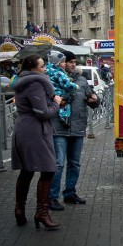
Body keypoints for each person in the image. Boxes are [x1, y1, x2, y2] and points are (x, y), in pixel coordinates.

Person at [11, 54, 63, 230]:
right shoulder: (35, 84)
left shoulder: (23, 82)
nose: (45, 69)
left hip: (24, 128)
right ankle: (41, 212)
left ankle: (19, 210)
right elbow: (43, 112)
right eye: (42, 66)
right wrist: (56, 103)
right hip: (35, 130)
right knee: (48, 170)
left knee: (27, 170)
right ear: (33, 68)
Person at [48, 50, 100, 211]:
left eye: (74, 62)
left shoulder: (82, 80)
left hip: (77, 127)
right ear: (61, 63)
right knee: (58, 164)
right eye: (69, 61)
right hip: (58, 127)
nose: (72, 64)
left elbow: (92, 100)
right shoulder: (52, 79)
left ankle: (70, 193)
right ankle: (52, 197)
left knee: (74, 163)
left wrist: (95, 100)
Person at [46, 51, 79, 127]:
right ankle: (64, 118)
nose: (64, 63)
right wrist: (75, 86)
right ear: (57, 63)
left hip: (50, 94)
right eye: (63, 62)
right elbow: (67, 85)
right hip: (60, 93)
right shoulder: (59, 73)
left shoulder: (46, 71)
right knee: (64, 105)